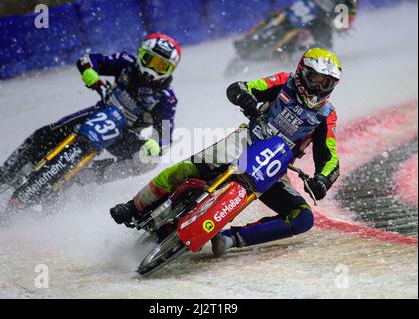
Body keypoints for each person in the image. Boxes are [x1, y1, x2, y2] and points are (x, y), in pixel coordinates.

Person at [110, 48, 341, 257]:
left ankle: (230, 239)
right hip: (244, 141)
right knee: (190, 166)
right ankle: (134, 206)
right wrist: (245, 98)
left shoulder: (327, 115)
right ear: (302, 72)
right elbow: (241, 87)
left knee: (303, 218)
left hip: (274, 167)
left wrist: (323, 180)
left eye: (327, 83)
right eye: (316, 79)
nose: (319, 88)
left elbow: (329, 155)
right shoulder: (283, 82)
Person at [0, 33, 181, 190]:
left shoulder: (166, 98)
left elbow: (165, 133)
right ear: (141, 55)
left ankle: (86, 177)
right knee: (46, 132)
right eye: (150, 60)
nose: (152, 69)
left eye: (161, 65)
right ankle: (8, 172)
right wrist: (91, 73)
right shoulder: (125, 62)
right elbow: (87, 60)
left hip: (125, 135)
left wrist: (156, 144)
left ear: (170, 69)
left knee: (149, 160)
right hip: (99, 113)